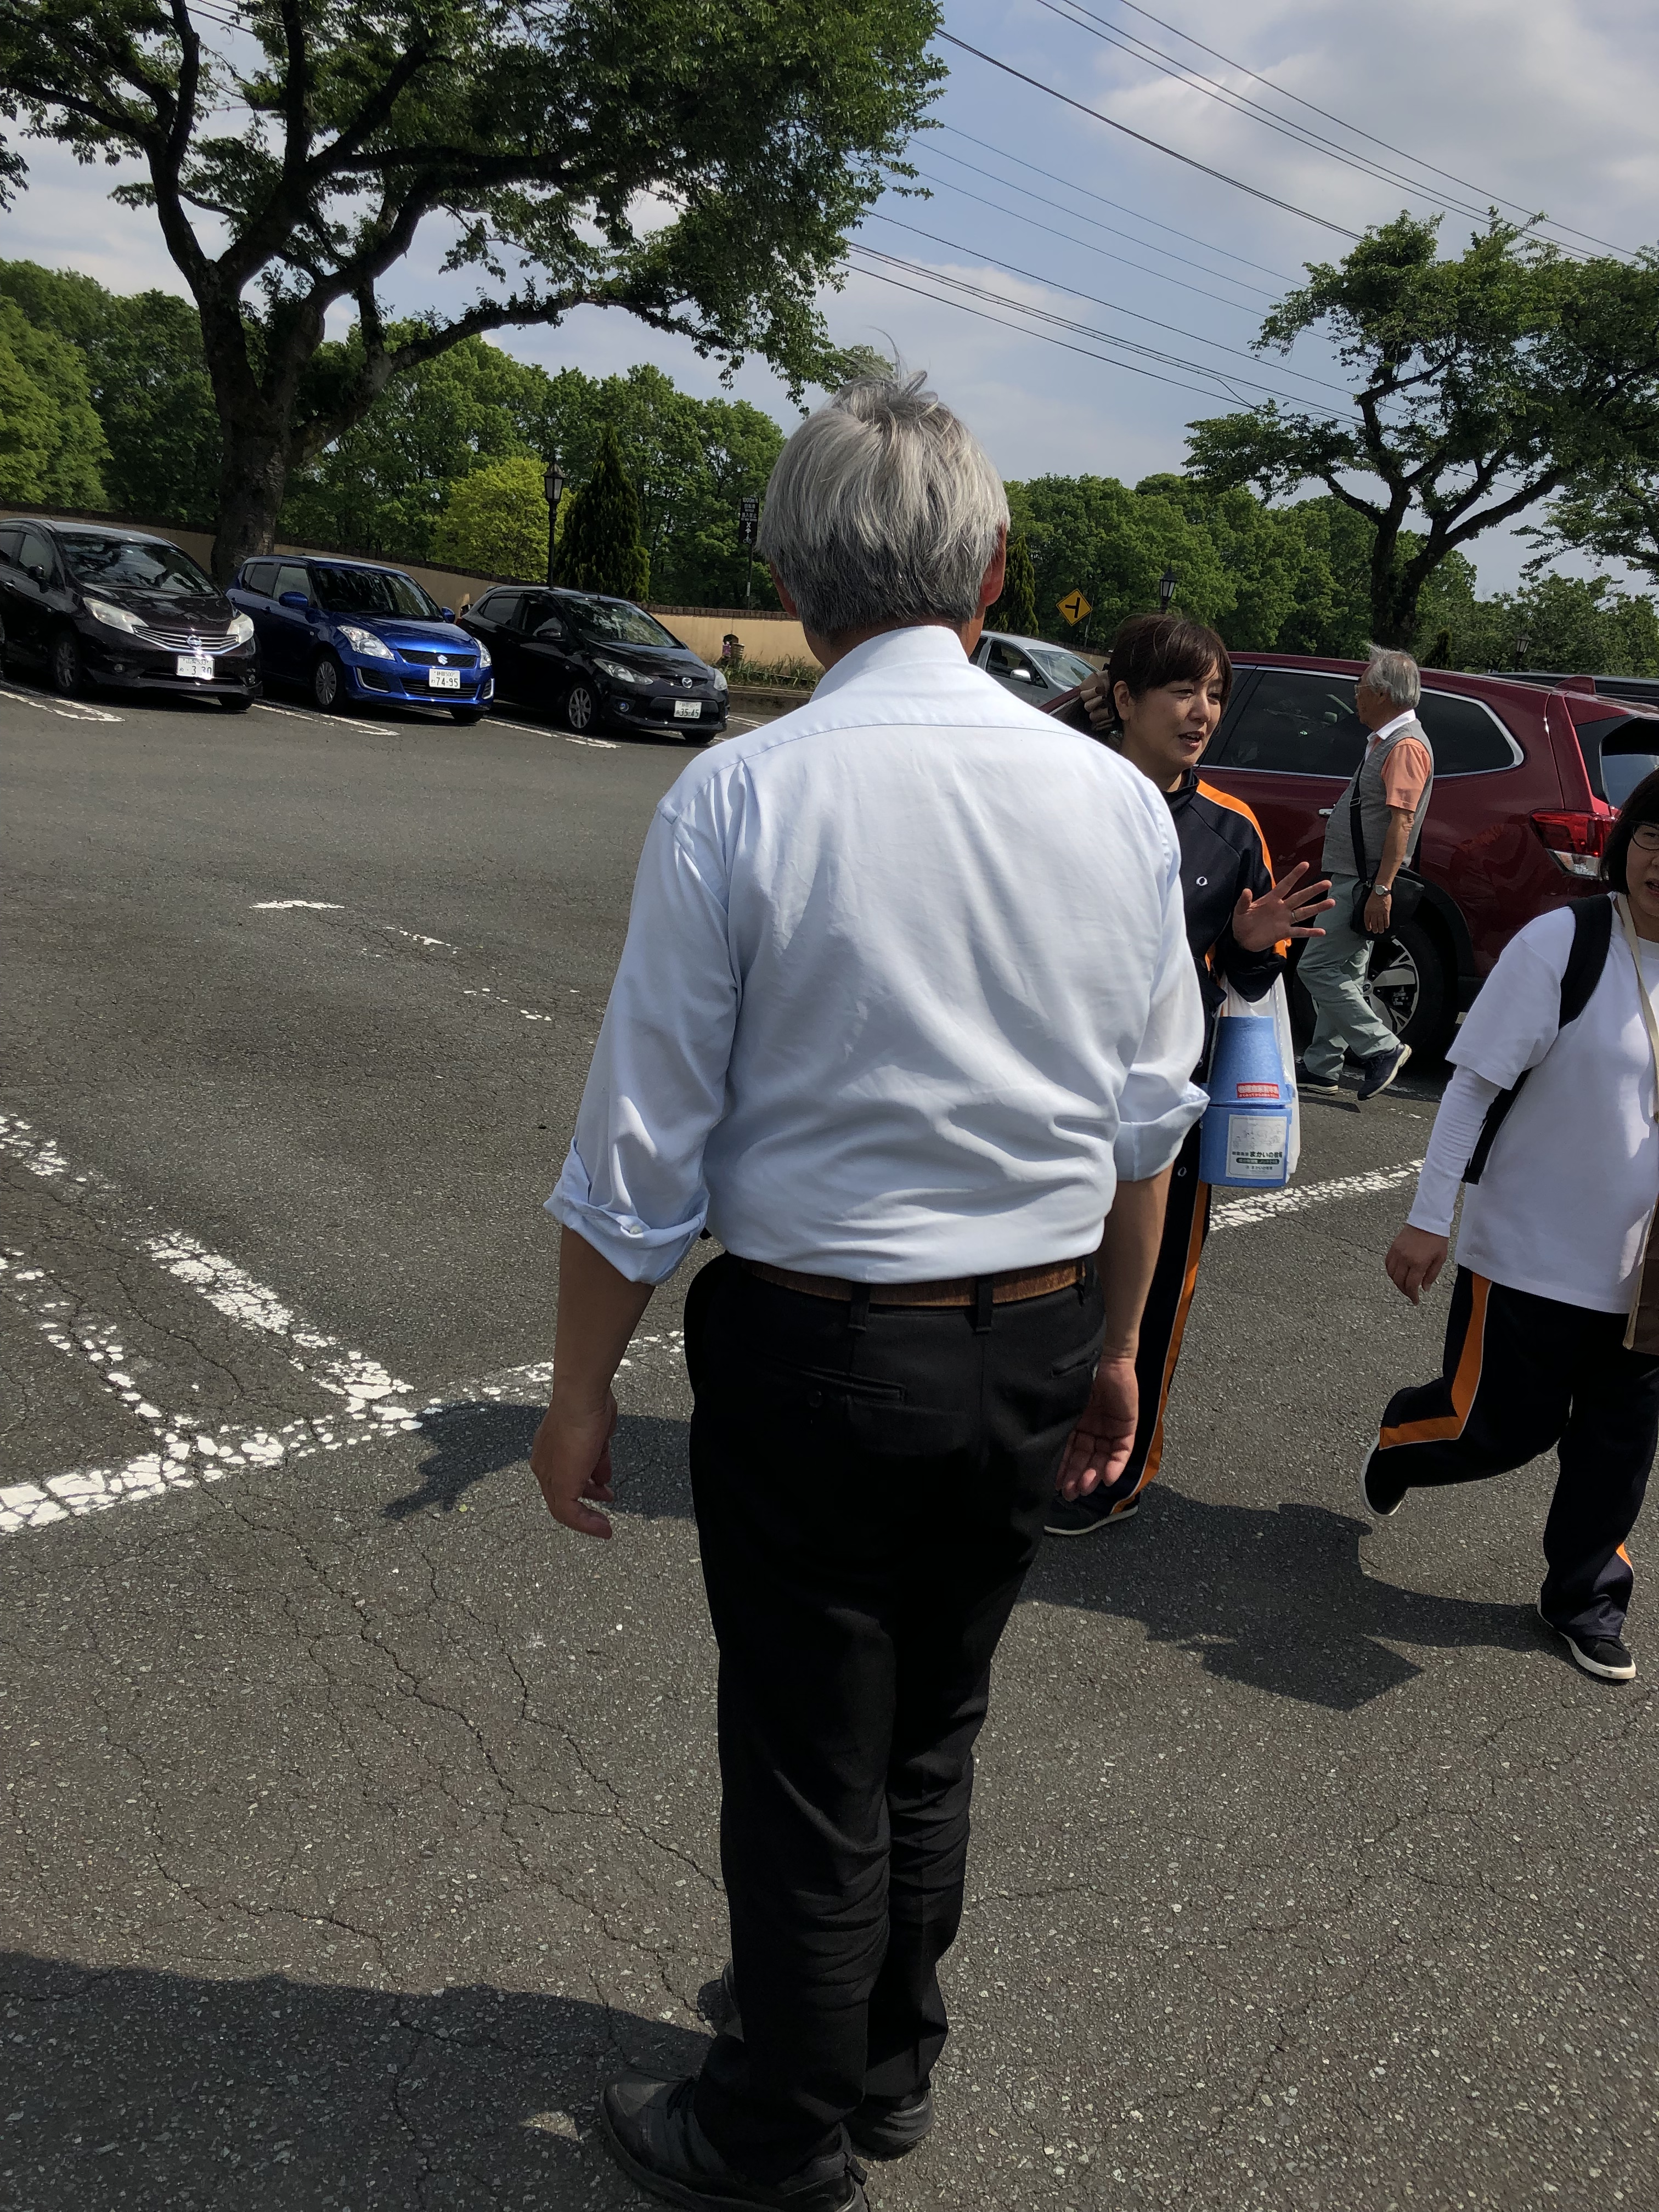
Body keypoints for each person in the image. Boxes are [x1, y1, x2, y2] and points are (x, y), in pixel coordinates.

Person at [529, 373, 1207, 2212]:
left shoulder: (744, 794)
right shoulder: (1115, 802)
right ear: (993, 571)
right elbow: (1150, 1120)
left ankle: (777, 2128)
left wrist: (579, 1389)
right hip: (1038, 1322)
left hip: (821, 1344)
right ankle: (887, 2059)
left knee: (809, 1756)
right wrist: (1120, 1349)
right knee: (931, 1727)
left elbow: (639, 1148)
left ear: (792, 582)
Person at [1364, 769, 1659, 1684]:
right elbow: (1471, 1088)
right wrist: (1428, 1217)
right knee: (1491, 1428)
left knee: (1615, 1454)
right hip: (1532, 1255)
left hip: (1648, 1280)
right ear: (1627, 843)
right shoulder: (1564, 944)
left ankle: (1583, 1599)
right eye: (1654, 837)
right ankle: (1399, 1438)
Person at [1044, 615, 1334, 1537]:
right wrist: (1077, 709)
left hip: (1171, 1108)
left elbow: (1250, 974)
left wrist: (1249, 947)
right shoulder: (1059, 792)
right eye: (1180, 690)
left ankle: (1118, 1472)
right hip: (1049, 1094)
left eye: (1213, 693)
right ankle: (1027, 1446)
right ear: (1124, 700)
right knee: (1036, 1280)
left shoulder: (1229, 827)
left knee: (1153, 1289)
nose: (1201, 710)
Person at [1297, 646, 1433, 1103]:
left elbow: (1402, 823)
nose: (1355, 695)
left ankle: (1382, 1047)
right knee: (1346, 973)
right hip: (1358, 876)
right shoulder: (1387, 740)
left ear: (1382, 693)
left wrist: (1382, 889)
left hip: (1363, 881)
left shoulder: (1405, 745)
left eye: (1361, 687)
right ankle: (1322, 1067)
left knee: (1316, 967)